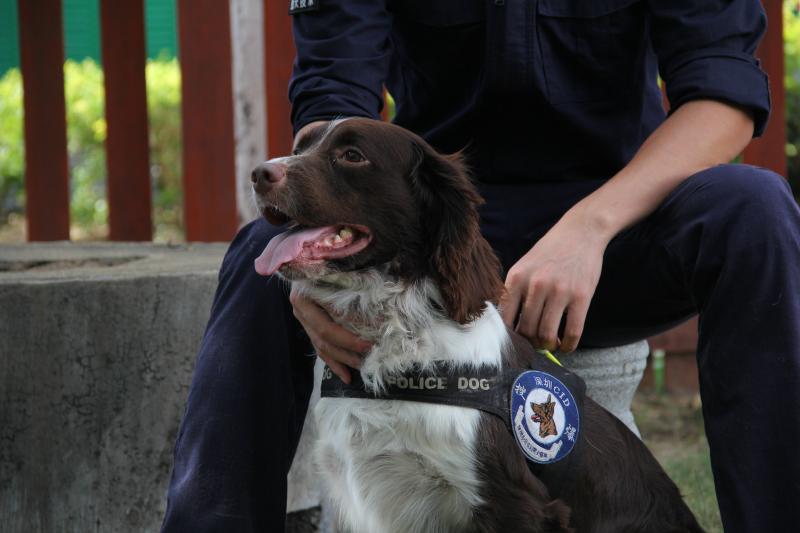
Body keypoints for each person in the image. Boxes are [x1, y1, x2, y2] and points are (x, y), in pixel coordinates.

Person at [161, 1, 800, 531]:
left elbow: (723, 101)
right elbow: (333, 95)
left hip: (615, 235)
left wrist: (591, 227)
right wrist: (314, 259)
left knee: (755, 208)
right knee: (258, 253)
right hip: (434, 230)